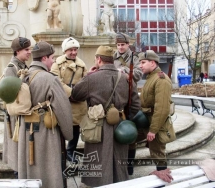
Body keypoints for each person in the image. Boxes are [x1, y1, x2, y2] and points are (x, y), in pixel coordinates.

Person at [71, 45, 140, 187]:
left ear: (98, 60)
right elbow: (135, 105)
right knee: (119, 159)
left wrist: (87, 76)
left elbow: (75, 95)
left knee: (98, 158)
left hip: (98, 126)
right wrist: (126, 121)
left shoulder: (92, 78)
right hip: (121, 124)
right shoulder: (127, 78)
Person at [18, 41, 73, 188]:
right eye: (52, 58)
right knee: (49, 167)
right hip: (45, 130)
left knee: (31, 166)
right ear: (44, 58)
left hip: (26, 129)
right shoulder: (50, 79)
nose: (53, 61)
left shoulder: (23, 75)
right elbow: (63, 109)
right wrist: (68, 134)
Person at [138, 50, 173, 183]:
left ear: (152, 63)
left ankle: (163, 179)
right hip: (147, 119)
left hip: (156, 121)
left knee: (158, 152)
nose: (140, 66)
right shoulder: (151, 77)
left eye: (143, 62)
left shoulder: (161, 79)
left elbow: (162, 108)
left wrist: (153, 129)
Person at [50, 37, 87, 163]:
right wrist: (71, 93)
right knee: (60, 126)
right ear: (65, 50)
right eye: (70, 49)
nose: (73, 52)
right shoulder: (56, 64)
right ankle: (60, 151)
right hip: (63, 99)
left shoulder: (81, 64)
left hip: (78, 102)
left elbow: (85, 80)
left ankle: (70, 152)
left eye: (75, 49)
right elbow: (56, 81)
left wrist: (79, 92)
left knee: (75, 128)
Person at [113, 32, 143, 175]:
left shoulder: (134, 57)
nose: (120, 47)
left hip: (131, 99)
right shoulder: (113, 57)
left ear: (128, 44)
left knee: (130, 134)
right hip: (117, 97)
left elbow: (138, 74)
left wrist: (123, 71)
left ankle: (129, 165)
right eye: (118, 45)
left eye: (122, 45)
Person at [2, 37, 31, 178]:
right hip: (15, 115)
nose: (29, 52)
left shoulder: (23, 66)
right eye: (26, 49)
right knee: (15, 147)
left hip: (21, 113)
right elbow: (9, 94)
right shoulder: (11, 68)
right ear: (17, 51)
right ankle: (18, 175)